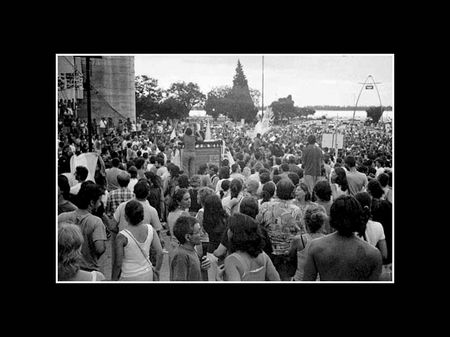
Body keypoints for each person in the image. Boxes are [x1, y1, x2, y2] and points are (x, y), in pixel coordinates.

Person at [303, 195, 382, 281]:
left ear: (332, 218)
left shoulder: (317, 247)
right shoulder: (373, 254)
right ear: (358, 218)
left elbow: (308, 279)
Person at [255, 178, 303, 280]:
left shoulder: (265, 206)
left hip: (268, 252)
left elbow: (257, 225)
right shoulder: (296, 211)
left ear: (277, 191)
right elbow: (299, 233)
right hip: (287, 255)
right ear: (292, 192)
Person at [58, 181, 107, 273]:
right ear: (92, 203)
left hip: (64, 269)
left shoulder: (62, 217)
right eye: (99, 201)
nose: (100, 204)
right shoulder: (96, 222)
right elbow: (100, 248)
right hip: (88, 269)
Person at [218, 213, 280, 281]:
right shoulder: (263, 255)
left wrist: (218, 279)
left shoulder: (232, 261)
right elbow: (276, 279)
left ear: (235, 233)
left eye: (229, 228)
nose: (228, 231)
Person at [111, 200, 163, 281]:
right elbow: (160, 252)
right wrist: (157, 270)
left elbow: (118, 264)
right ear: (142, 215)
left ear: (126, 217)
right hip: (147, 273)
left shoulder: (122, 236)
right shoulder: (151, 230)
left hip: (128, 275)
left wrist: (113, 279)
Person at [289, 204, 327, 281]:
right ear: (323, 223)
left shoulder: (299, 240)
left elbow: (291, 259)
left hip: (300, 279)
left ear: (305, 222)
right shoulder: (327, 240)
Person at [170, 215, 211, 281]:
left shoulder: (192, 250)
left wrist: (202, 267)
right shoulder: (181, 256)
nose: (202, 233)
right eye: (198, 232)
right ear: (188, 237)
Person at [354, 192, 388, 261]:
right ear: (370, 207)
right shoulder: (378, 226)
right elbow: (384, 255)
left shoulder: (349, 228)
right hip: (371, 266)